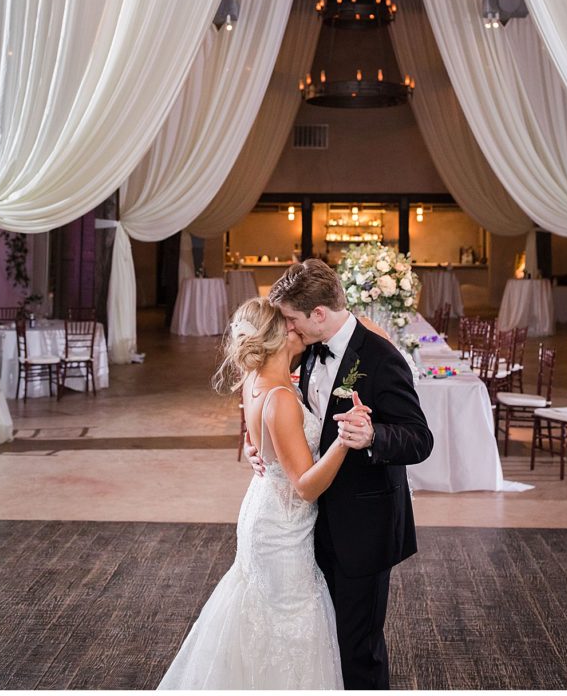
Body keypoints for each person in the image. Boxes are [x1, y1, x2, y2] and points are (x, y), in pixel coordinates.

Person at [158, 296, 367, 689]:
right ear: (279, 336)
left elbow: (266, 444)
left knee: (262, 615)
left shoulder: (255, 382)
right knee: (289, 621)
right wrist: (344, 439)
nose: (298, 327)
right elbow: (305, 487)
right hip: (282, 527)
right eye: (289, 323)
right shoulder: (282, 399)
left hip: (265, 507)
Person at [246, 258, 434, 690]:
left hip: (364, 529)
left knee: (357, 648)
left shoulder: (382, 356)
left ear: (318, 314)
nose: (286, 330)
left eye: (291, 320)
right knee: (320, 642)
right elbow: (281, 410)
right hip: (309, 525)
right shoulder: (309, 346)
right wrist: (256, 445)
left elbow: (420, 439)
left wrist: (373, 436)